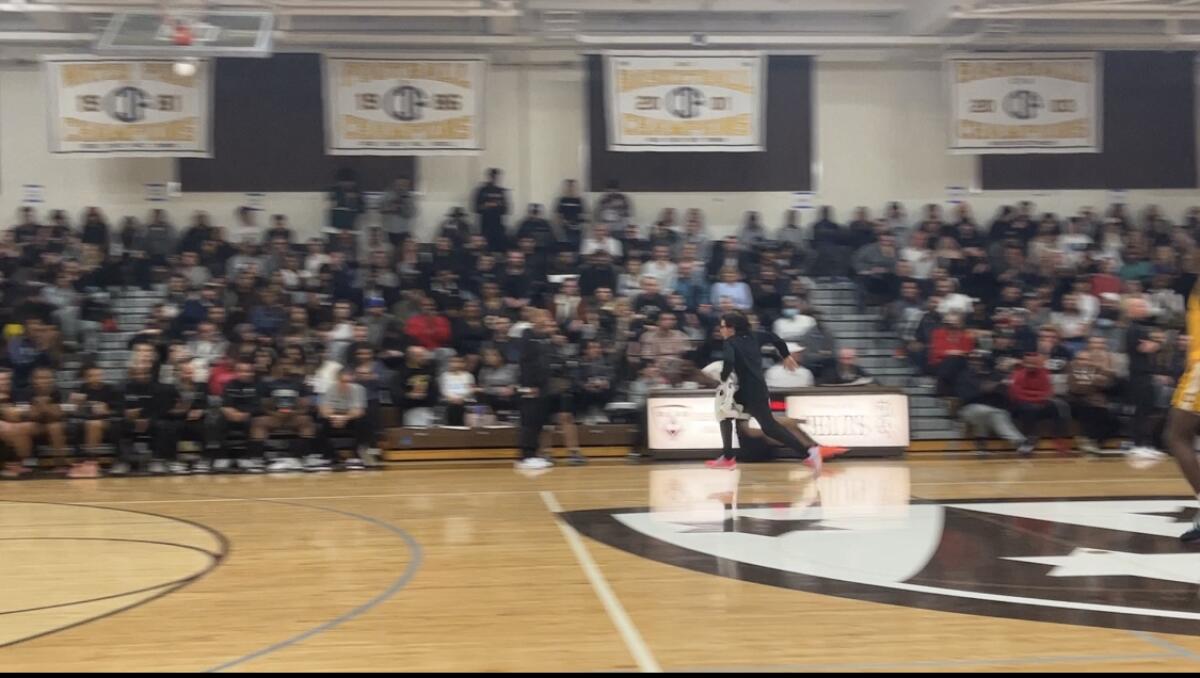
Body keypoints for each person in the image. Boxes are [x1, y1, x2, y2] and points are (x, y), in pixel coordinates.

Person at [706, 312, 838, 471]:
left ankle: (810, 452)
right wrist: (786, 355)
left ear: (732, 328)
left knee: (768, 427)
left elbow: (727, 365)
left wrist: (722, 378)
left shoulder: (730, 343)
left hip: (749, 392)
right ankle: (728, 457)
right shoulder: (756, 335)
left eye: (722, 327)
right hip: (755, 389)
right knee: (729, 417)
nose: (721, 330)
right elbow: (776, 339)